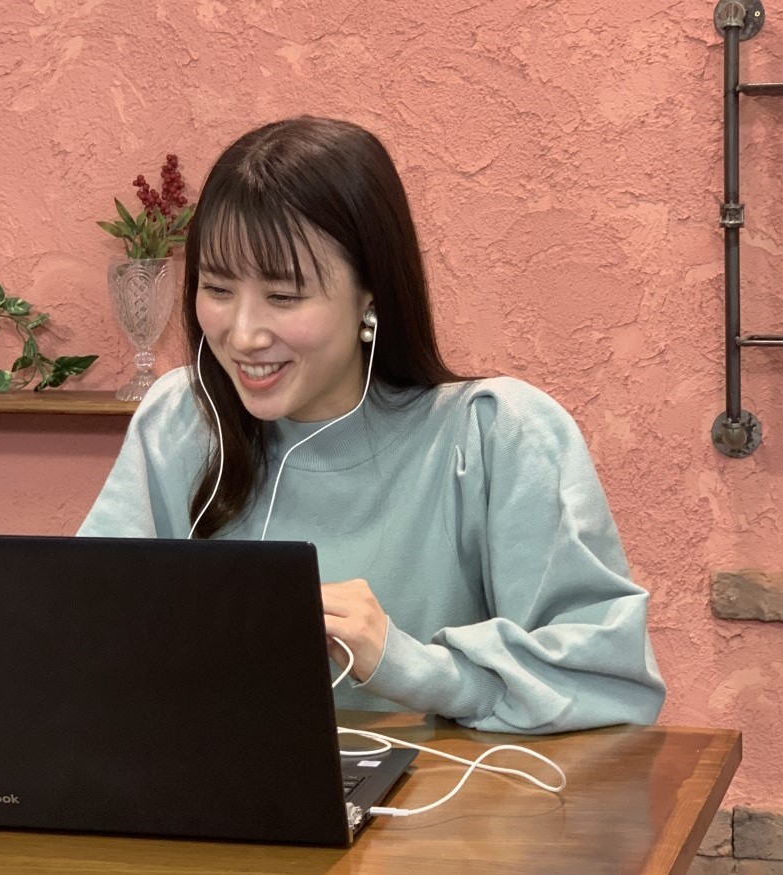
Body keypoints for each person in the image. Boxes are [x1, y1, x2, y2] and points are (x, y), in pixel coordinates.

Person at [79, 116, 666, 734]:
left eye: (284, 296)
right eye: (218, 289)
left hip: (445, 797)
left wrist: (408, 665)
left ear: (371, 293)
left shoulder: (497, 436)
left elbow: (608, 682)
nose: (243, 335)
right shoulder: (182, 419)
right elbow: (80, 635)